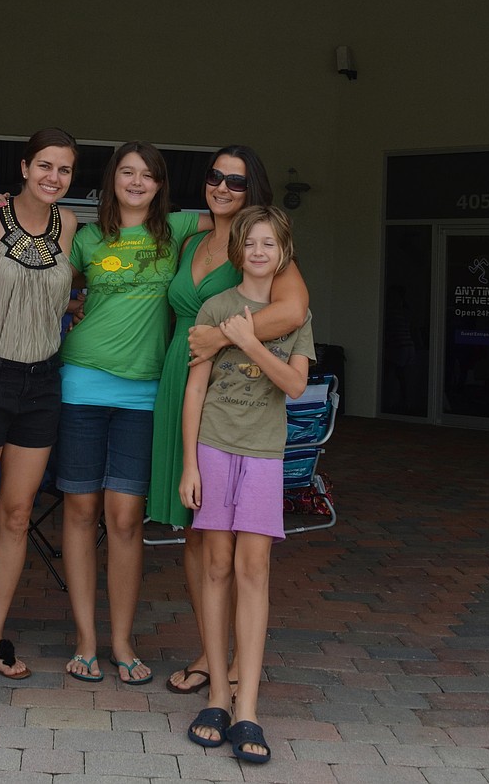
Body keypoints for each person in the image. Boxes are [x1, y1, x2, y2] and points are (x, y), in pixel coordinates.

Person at [146, 146, 309, 695]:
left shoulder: (262, 247)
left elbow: (292, 312)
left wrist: (220, 337)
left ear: (252, 191)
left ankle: (237, 659)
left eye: (236, 182)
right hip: (182, 381)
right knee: (195, 530)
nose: (222, 187)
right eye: (215, 176)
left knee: (229, 542)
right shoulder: (191, 238)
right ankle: (210, 651)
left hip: (227, 387)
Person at [57, 141, 211, 685]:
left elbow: (237, 214)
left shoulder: (179, 229)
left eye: (148, 174)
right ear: (112, 179)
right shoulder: (86, 237)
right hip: (82, 382)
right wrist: (73, 305)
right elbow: (48, 281)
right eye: (127, 172)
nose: (137, 182)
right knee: (80, 511)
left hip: (144, 394)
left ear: (160, 184)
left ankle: (122, 642)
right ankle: (85, 641)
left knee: (124, 518)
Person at [179, 204, 314, 764]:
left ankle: (248, 706)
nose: (259, 252)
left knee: (253, 570)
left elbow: (295, 386)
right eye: (251, 243)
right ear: (238, 251)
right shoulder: (216, 307)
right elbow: (195, 389)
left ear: (284, 254)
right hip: (213, 447)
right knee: (215, 565)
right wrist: (189, 464)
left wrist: (248, 341)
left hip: (263, 454)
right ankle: (216, 695)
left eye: (269, 244)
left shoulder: (296, 316)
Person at [0, 127, 78, 683]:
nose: (54, 177)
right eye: (45, 165)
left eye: (65, 169)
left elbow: (59, 296)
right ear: (24, 167)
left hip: (42, 382)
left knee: (18, 515)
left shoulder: (70, 225)